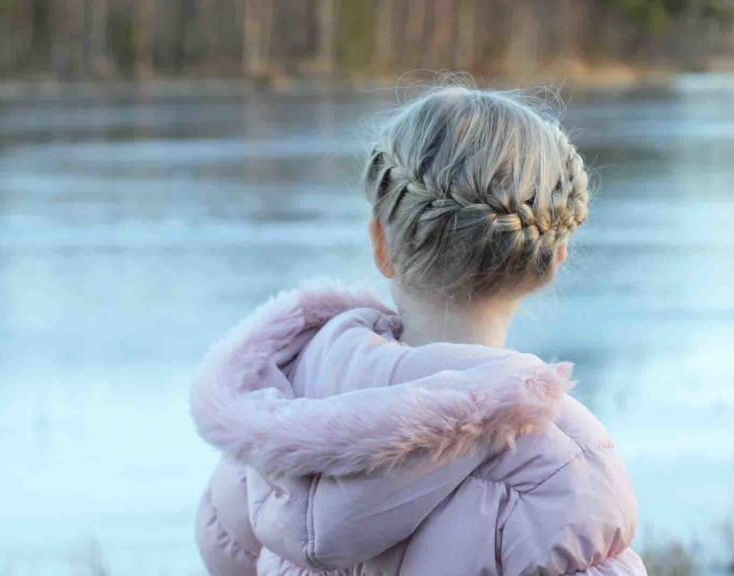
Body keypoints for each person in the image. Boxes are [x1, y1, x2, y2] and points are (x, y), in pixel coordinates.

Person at [191, 85, 648, 575]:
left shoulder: (279, 414)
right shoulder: (563, 473)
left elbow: (228, 554)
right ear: (551, 260)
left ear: (380, 244)